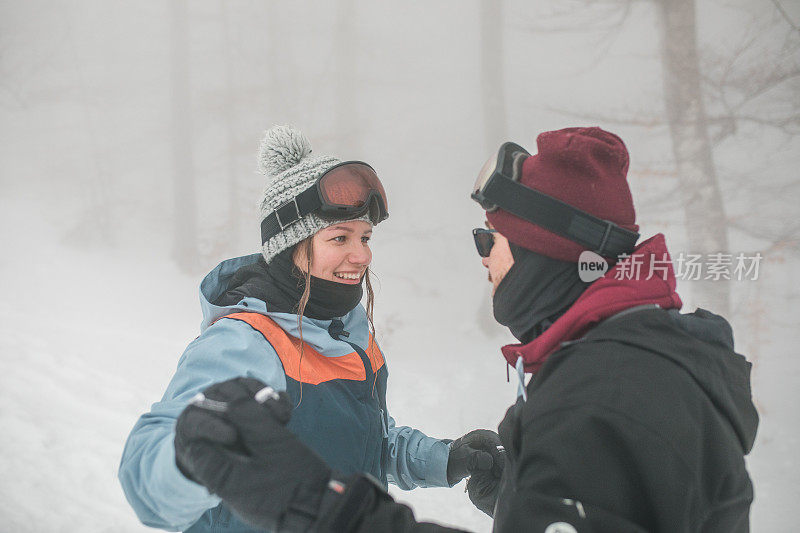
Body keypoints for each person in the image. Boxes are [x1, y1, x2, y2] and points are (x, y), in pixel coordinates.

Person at [172, 127, 759, 532]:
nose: (480, 254)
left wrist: (320, 510)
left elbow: (366, 442)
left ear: (541, 251)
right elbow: (162, 462)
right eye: (340, 238)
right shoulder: (642, 357)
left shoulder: (599, 395)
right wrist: (522, 497)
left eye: (490, 238)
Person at [118, 125, 502, 533]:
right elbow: (147, 470)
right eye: (340, 238)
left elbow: (364, 444)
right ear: (289, 248)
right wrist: (188, 460)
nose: (363, 255)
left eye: (366, 237)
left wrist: (446, 459)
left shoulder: (348, 335)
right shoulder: (245, 342)